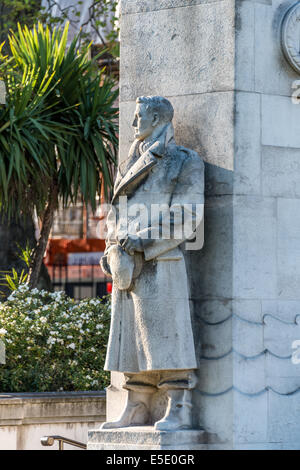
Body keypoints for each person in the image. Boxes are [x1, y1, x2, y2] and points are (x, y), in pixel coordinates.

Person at [100, 96, 204, 431]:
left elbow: (188, 216)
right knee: (129, 340)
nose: (132, 125)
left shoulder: (182, 160)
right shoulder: (130, 158)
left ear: (156, 117)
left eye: (137, 117)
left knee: (168, 336)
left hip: (162, 260)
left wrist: (145, 237)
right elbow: (116, 213)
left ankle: (179, 406)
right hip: (127, 265)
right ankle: (137, 406)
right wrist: (111, 250)